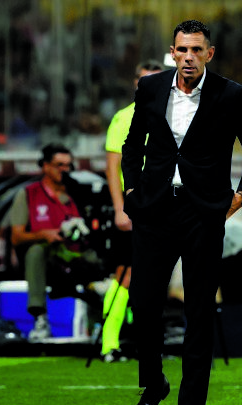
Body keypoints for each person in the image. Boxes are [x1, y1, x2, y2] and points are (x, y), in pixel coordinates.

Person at [121, 19, 242, 405]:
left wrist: (239, 198)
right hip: (154, 210)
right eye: (182, 50)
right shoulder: (150, 88)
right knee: (143, 303)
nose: (188, 57)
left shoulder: (231, 94)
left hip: (203, 214)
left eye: (196, 50)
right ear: (173, 52)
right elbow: (133, 145)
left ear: (210, 53)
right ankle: (154, 385)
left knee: (199, 311)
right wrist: (132, 191)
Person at [102, 59, 164, 363]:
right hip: (135, 207)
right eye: (144, 80)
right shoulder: (124, 118)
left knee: (154, 278)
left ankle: (146, 345)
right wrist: (120, 209)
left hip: (163, 208)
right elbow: (112, 168)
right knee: (126, 276)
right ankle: (109, 343)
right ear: (136, 83)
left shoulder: (173, 116)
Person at [8, 143, 88, 340]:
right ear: (45, 166)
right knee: (35, 251)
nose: (65, 170)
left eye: (68, 165)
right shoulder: (28, 194)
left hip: (77, 254)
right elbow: (16, 236)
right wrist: (44, 234)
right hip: (50, 258)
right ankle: (40, 318)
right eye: (59, 165)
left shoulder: (78, 192)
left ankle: (105, 322)